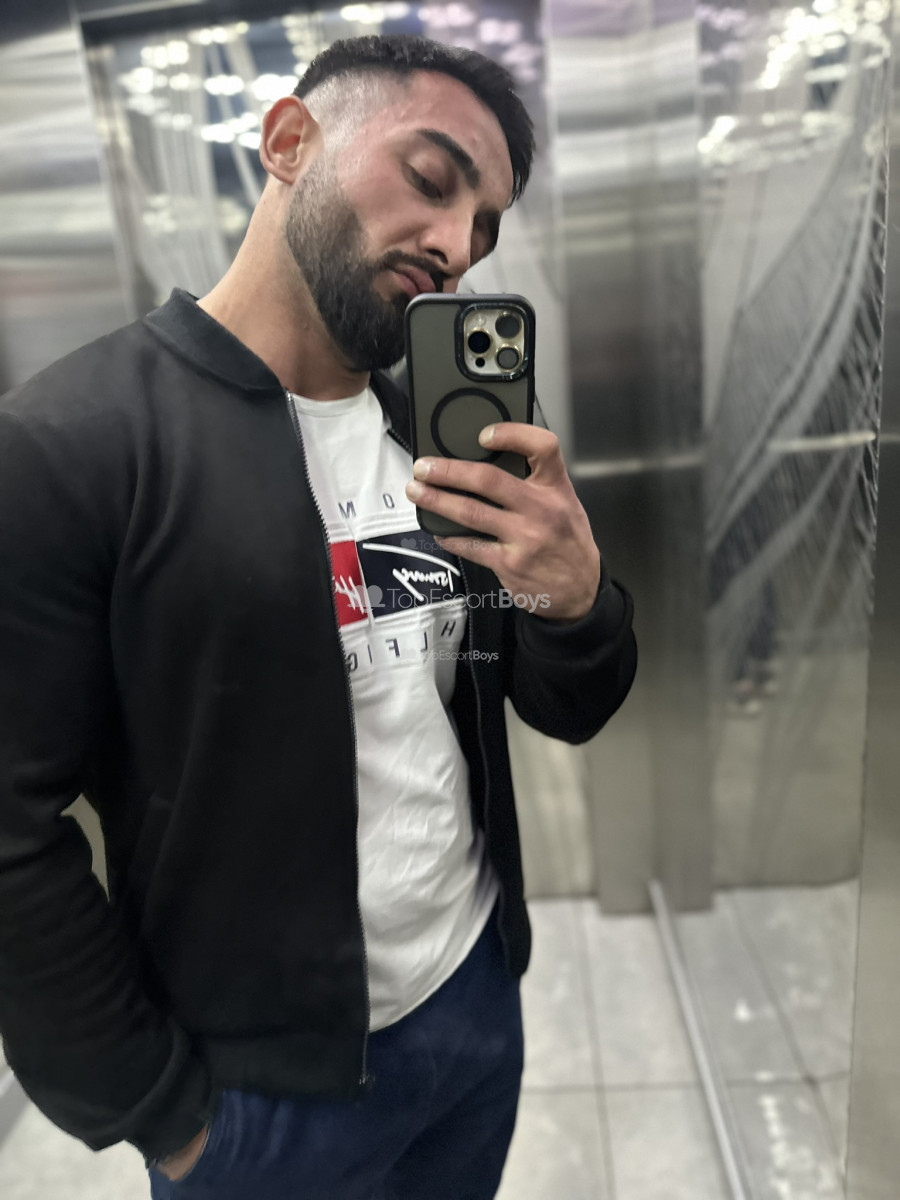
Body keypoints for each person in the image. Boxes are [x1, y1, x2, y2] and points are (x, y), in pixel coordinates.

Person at [0, 34, 636, 1200]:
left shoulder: (435, 439)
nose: (457, 245)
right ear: (290, 142)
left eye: (485, 227)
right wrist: (160, 1113)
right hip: (257, 1097)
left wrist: (575, 594)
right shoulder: (71, 443)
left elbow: (567, 706)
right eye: (432, 179)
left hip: (472, 1004)